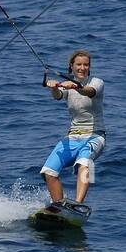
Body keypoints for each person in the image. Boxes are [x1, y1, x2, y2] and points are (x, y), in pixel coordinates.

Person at [41, 50, 106, 206]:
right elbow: (58, 96)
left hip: (95, 136)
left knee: (84, 163)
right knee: (48, 172)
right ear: (72, 66)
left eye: (86, 65)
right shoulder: (67, 84)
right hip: (72, 137)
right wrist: (53, 87)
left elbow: (88, 92)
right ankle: (59, 207)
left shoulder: (96, 82)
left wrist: (75, 87)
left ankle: (77, 205)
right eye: (79, 65)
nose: (82, 68)